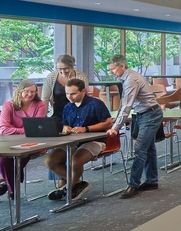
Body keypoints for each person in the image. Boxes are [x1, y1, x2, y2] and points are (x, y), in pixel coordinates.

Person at [50, 77, 113, 203]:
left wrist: (86, 129)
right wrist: (66, 128)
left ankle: (68, 188)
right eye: (67, 94)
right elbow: (65, 125)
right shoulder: (68, 107)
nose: (69, 97)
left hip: (95, 141)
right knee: (51, 161)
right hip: (74, 141)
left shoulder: (96, 104)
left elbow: (108, 123)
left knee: (75, 161)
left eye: (73, 94)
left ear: (83, 91)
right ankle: (78, 184)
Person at [109, 54, 163, 198]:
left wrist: (115, 128)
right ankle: (152, 181)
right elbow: (124, 103)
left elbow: (127, 106)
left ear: (122, 66)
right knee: (148, 148)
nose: (111, 72)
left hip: (150, 114)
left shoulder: (131, 80)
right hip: (143, 114)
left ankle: (133, 184)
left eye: (113, 69)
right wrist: (116, 122)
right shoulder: (127, 77)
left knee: (140, 148)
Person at [0, 78, 46, 193]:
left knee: (17, 160)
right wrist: (24, 130)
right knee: (2, 161)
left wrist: (15, 130)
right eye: (27, 91)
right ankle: (11, 184)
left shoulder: (40, 104)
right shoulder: (9, 105)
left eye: (33, 92)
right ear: (19, 91)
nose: (30, 94)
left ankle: (11, 189)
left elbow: (37, 128)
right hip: (8, 142)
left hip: (30, 142)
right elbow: (3, 129)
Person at [41, 54, 78, 190]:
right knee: (56, 148)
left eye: (65, 69)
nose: (62, 72)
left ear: (72, 66)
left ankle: (69, 178)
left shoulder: (80, 77)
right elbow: (44, 99)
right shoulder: (51, 77)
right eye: (59, 69)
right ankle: (62, 177)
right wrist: (42, 119)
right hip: (56, 115)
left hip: (74, 116)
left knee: (70, 147)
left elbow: (83, 96)